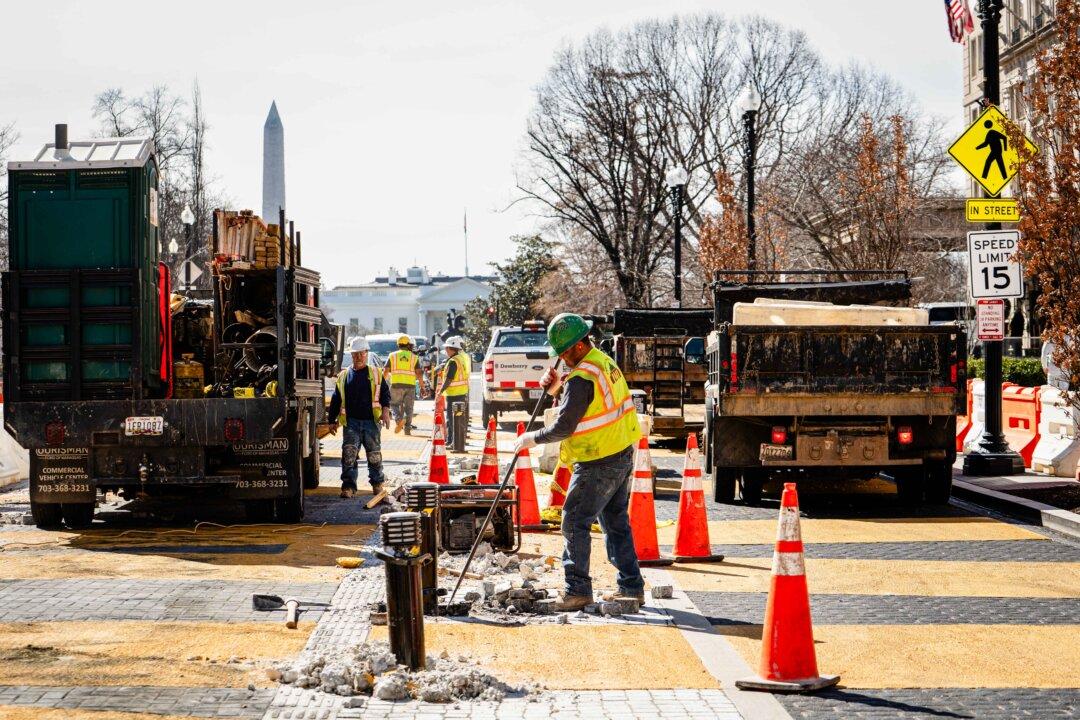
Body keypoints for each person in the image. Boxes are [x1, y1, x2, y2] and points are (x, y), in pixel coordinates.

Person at [512, 313, 643, 611]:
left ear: (578, 346)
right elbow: (588, 407)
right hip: (619, 452)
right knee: (616, 523)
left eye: (563, 353)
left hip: (597, 459)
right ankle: (632, 587)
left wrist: (531, 438)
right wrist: (558, 388)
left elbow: (565, 426)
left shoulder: (582, 377)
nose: (560, 359)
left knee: (573, 522)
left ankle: (578, 590)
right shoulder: (600, 361)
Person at [327, 336, 391, 499]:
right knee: (349, 455)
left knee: (374, 455)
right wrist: (331, 421)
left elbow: (385, 394)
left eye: (362, 354)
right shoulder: (344, 376)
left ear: (366, 353)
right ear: (352, 355)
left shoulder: (376, 373)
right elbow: (336, 399)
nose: (359, 357)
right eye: (355, 354)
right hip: (351, 423)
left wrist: (385, 411)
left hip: (371, 422)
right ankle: (348, 487)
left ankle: (377, 484)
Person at [436, 336, 471, 449]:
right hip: (461, 393)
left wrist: (441, 391)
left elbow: (449, 378)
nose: (446, 351)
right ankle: (452, 441)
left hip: (454, 394)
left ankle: (454, 443)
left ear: (452, 349)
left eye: (447, 348)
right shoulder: (460, 359)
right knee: (456, 419)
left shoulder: (453, 361)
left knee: (452, 420)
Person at [387, 334, 423, 435]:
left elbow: (385, 370)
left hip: (396, 385)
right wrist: (422, 386)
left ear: (398, 345)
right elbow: (419, 373)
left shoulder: (392, 356)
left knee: (393, 404)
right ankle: (407, 429)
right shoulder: (414, 357)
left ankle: (399, 420)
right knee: (409, 408)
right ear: (408, 345)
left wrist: (381, 383)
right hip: (410, 386)